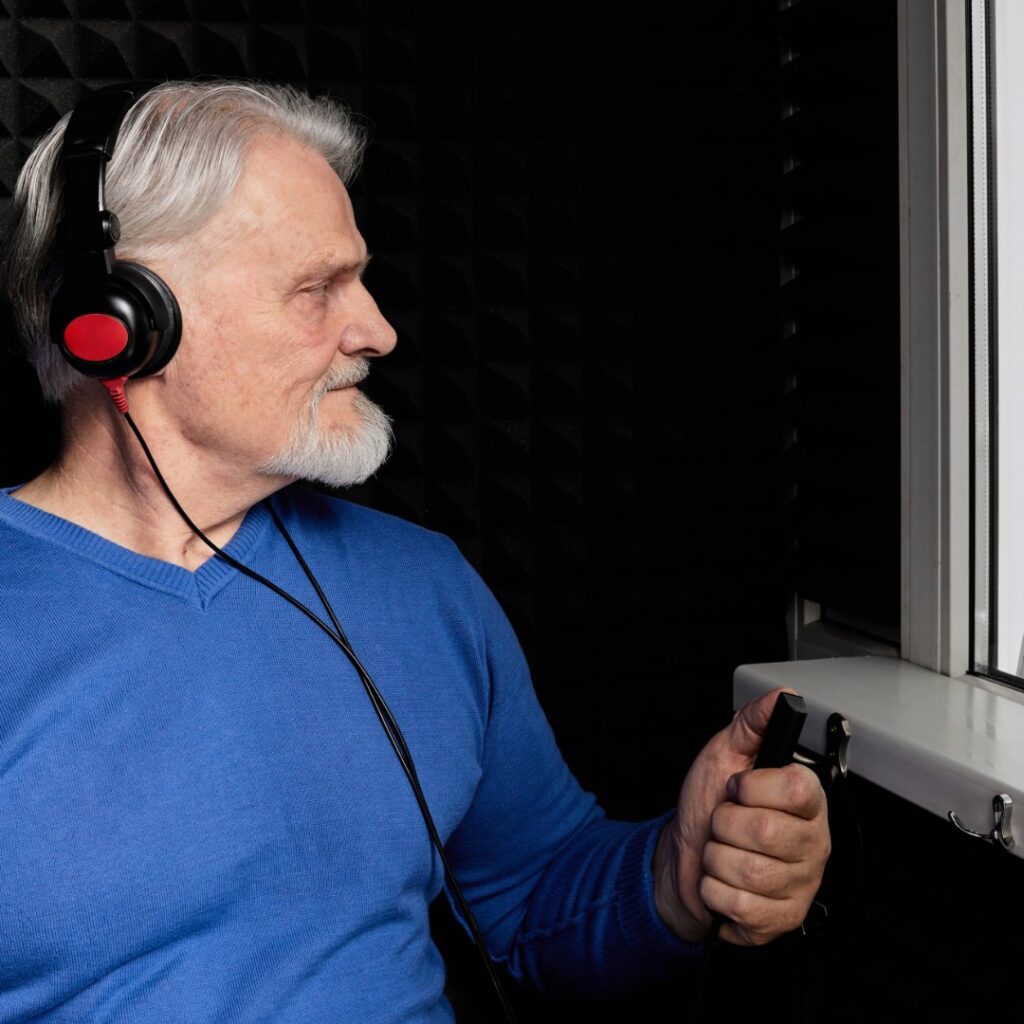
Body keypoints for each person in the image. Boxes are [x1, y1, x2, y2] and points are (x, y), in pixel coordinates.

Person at [0, 81, 830, 1022]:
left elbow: (528, 902)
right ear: (121, 320)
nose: (377, 332)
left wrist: (679, 877)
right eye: (316, 289)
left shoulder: (421, 585)